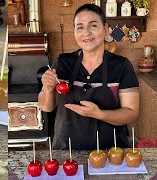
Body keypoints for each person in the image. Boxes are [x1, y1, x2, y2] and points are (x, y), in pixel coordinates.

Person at [38, 4, 139, 150]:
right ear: (74, 32)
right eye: (79, 27)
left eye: (93, 25)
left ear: (105, 29)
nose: (86, 32)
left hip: (111, 152)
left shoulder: (121, 66)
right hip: (67, 151)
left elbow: (131, 113)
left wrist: (99, 114)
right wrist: (47, 89)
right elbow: (46, 107)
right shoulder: (63, 63)